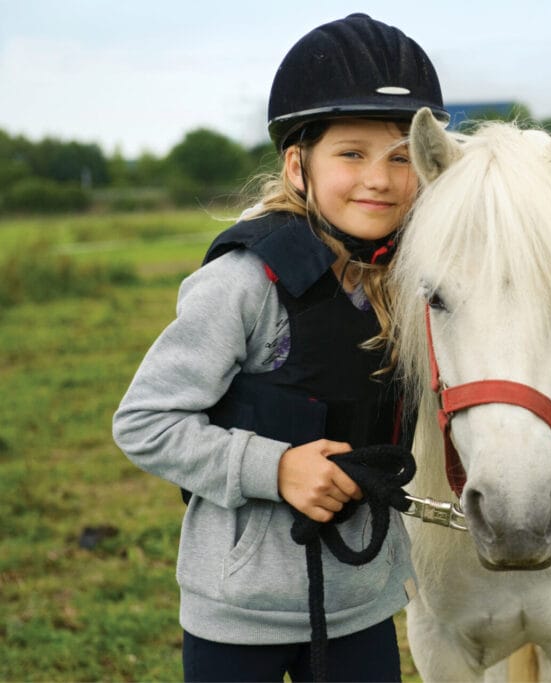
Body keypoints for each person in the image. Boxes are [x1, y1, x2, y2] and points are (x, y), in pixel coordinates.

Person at [112, 13, 448, 682]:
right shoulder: (243, 282)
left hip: (361, 606)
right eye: (351, 154)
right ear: (298, 165)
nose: (380, 179)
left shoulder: (416, 286)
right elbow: (144, 422)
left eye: (400, 156)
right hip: (239, 613)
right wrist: (277, 468)